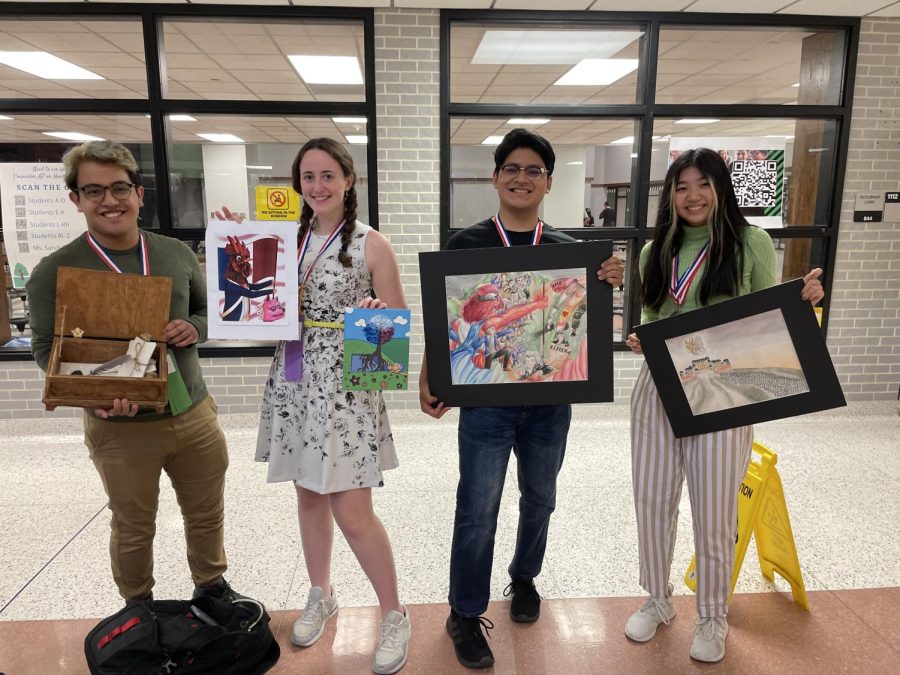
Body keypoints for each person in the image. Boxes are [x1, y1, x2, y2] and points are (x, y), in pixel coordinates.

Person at [419, 128, 624, 670]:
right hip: (487, 403)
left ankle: (524, 578)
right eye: (512, 168)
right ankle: (463, 612)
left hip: (550, 402)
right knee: (477, 508)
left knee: (541, 499)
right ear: (495, 177)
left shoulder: (568, 252)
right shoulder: (465, 243)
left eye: (533, 170)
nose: (521, 178)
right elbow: (448, 317)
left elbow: (581, 320)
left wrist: (608, 279)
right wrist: (429, 375)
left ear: (548, 182)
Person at [623, 148, 824, 663]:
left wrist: (801, 301)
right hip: (659, 387)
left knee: (713, 510)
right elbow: (652, 316)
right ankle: (657, 599)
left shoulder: (749, 242)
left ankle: (713, 615)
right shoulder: (656, 251)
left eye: (704, 184)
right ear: (670, 194)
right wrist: (640, 339)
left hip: (726, 390)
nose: (693, 196)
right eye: (682, 186)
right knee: (652, 500)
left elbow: (767, 315)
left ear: (720, 189)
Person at [27, 141, 238, 606]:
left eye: (120, 187)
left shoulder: (174, 254)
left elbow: (208, 310)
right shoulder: (53, 271)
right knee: (133, 523)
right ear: (76, 199)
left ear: (139, 194)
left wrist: (195, 327)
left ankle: (211, 588)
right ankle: (138, 606)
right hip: (119, 425)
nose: (110, 200)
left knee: (206, 514)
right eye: (94, 190)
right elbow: (45, 350)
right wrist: (90, 395)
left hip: (193, 413)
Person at [250, 138, 411, 675]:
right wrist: (234, 241)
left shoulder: (371, 244)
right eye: (307, 177)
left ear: (348, 181)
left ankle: (394, 613)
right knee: (309, 499)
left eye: (327, 176)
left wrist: (374, 314)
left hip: (346, 383)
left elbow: (397, 327)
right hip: (293, 377)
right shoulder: (281, 241)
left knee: (352, 509)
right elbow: (252, 301)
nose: (316, 186)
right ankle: (321, 592)